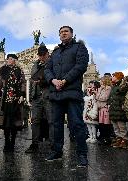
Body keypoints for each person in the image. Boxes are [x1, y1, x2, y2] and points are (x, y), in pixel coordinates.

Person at [44, 26, 89, 167]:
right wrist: (53, 80)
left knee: (76, 124)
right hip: (56, 93)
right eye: (61, 32)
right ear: (59, 36)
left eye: (66, 31)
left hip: (72, 92)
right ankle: (57, 151)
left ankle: (82, 154)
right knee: (56, 125)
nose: (63, 34)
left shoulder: (79, 47)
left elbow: (81, 66)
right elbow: (47, 69)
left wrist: (65, 80)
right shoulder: (55, 52)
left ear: (72, 34)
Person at [0, 54, 26, 152]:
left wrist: (22, 94)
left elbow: (23, 83)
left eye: (11, 59)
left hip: (16, 98)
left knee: (14, 122)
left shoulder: (19, 71)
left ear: (15, 60)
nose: (8, 60)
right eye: (8, 58)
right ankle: (6, 142)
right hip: (6, 99)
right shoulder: (3, 70)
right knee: (6, 122)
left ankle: (12, 142)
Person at [25, 45, 53, 153]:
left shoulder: (52, 63)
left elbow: (53, 78)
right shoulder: (35, 65)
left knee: (51, 120)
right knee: (35, 121)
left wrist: (42, 80)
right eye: (40, 55)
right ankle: (35, 144)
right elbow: (32, 80)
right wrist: (31, 97)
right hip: (36, 97)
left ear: (47, 54)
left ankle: (52, 144)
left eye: (43, 55)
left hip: (48, 95)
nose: (41, 57)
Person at [108, 72, 128, 148]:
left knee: (121, 126)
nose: (112, 77)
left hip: (119, 108)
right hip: (113, 108)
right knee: (115, 126)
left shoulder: (121, 86)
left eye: (113, 76)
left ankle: (125, 139)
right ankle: (118, 138)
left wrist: (123, 104)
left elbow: (124, 96)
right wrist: (109, 104)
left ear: (118, 77)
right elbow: (110, 97)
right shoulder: (113, 86)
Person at [95, 76, 112, 145]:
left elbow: (105, 98)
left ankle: (106, 138)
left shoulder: (108, 88)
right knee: (101, 124)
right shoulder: (100, 88)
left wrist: (97, 96)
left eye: (101, 80)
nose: (100, 81)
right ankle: (102, 137)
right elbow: (98, 97)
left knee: (106, 124)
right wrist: (98, 96)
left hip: (105, 108)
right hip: (100, 108)